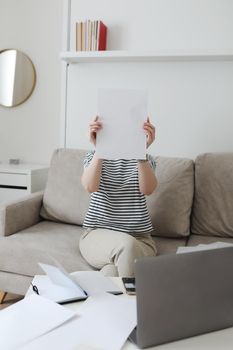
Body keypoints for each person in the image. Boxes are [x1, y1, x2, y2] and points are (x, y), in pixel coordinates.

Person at [80, 115, 158, 277]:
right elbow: (89, 186)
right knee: (126, 246)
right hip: (96, 236)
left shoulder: (145, 160)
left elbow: (148, 189)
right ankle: (131, 300)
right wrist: (100, 150)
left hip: (140, 241)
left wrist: (140, 153)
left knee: (111, 271)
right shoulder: (93, 157)